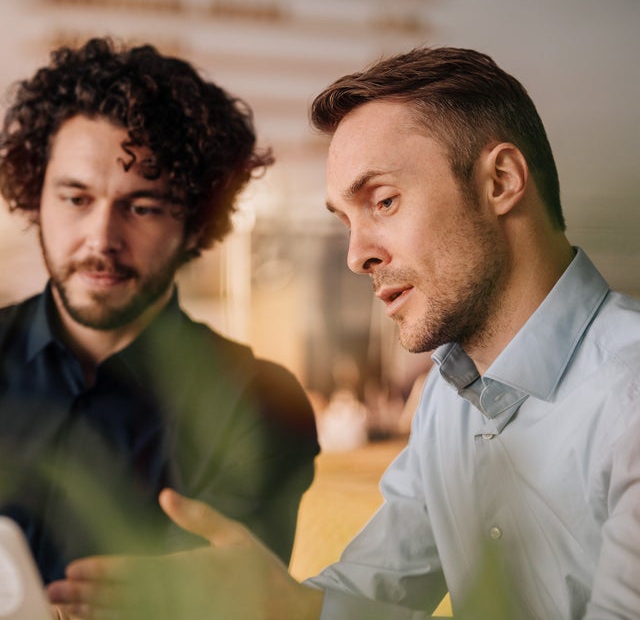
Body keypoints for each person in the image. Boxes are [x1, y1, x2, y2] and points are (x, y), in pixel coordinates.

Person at [48, 46, 640, 619]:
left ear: (501, 181)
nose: (356, 255)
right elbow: (372, 594)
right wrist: (267, 605)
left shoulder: (629, 399)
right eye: (346, 222)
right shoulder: (449, 400)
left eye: (382, 202)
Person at [0, 36, 319, 591]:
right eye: (76, 199)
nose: (101, 239)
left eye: (142, 207)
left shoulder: (261, 405)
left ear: (196, 223)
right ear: (36, 196)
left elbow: (228, 599)